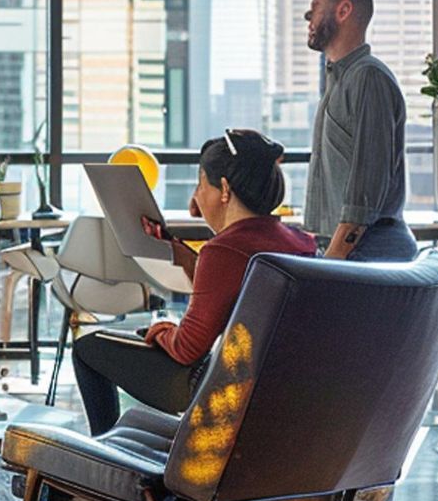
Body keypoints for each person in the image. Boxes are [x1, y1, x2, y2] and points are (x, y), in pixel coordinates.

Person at [71, 130, 317, 436]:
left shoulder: (224, 251)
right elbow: (231, 285)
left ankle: (103, 450)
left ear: (224, 189)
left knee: (87, 349)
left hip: (218, 393)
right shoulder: (302, 243)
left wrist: (161, 330)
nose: (195, 200)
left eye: (201, 184)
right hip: (276, 393)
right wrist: (176, 249)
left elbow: (187, 349)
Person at [303, 0, 418, 262]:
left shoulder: (368, 78)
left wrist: (331, 263)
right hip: (348, 252)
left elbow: (364, 193)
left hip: (365, 252)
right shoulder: (339, 81)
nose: (308, 16)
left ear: (343, 11)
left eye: (315, 7)